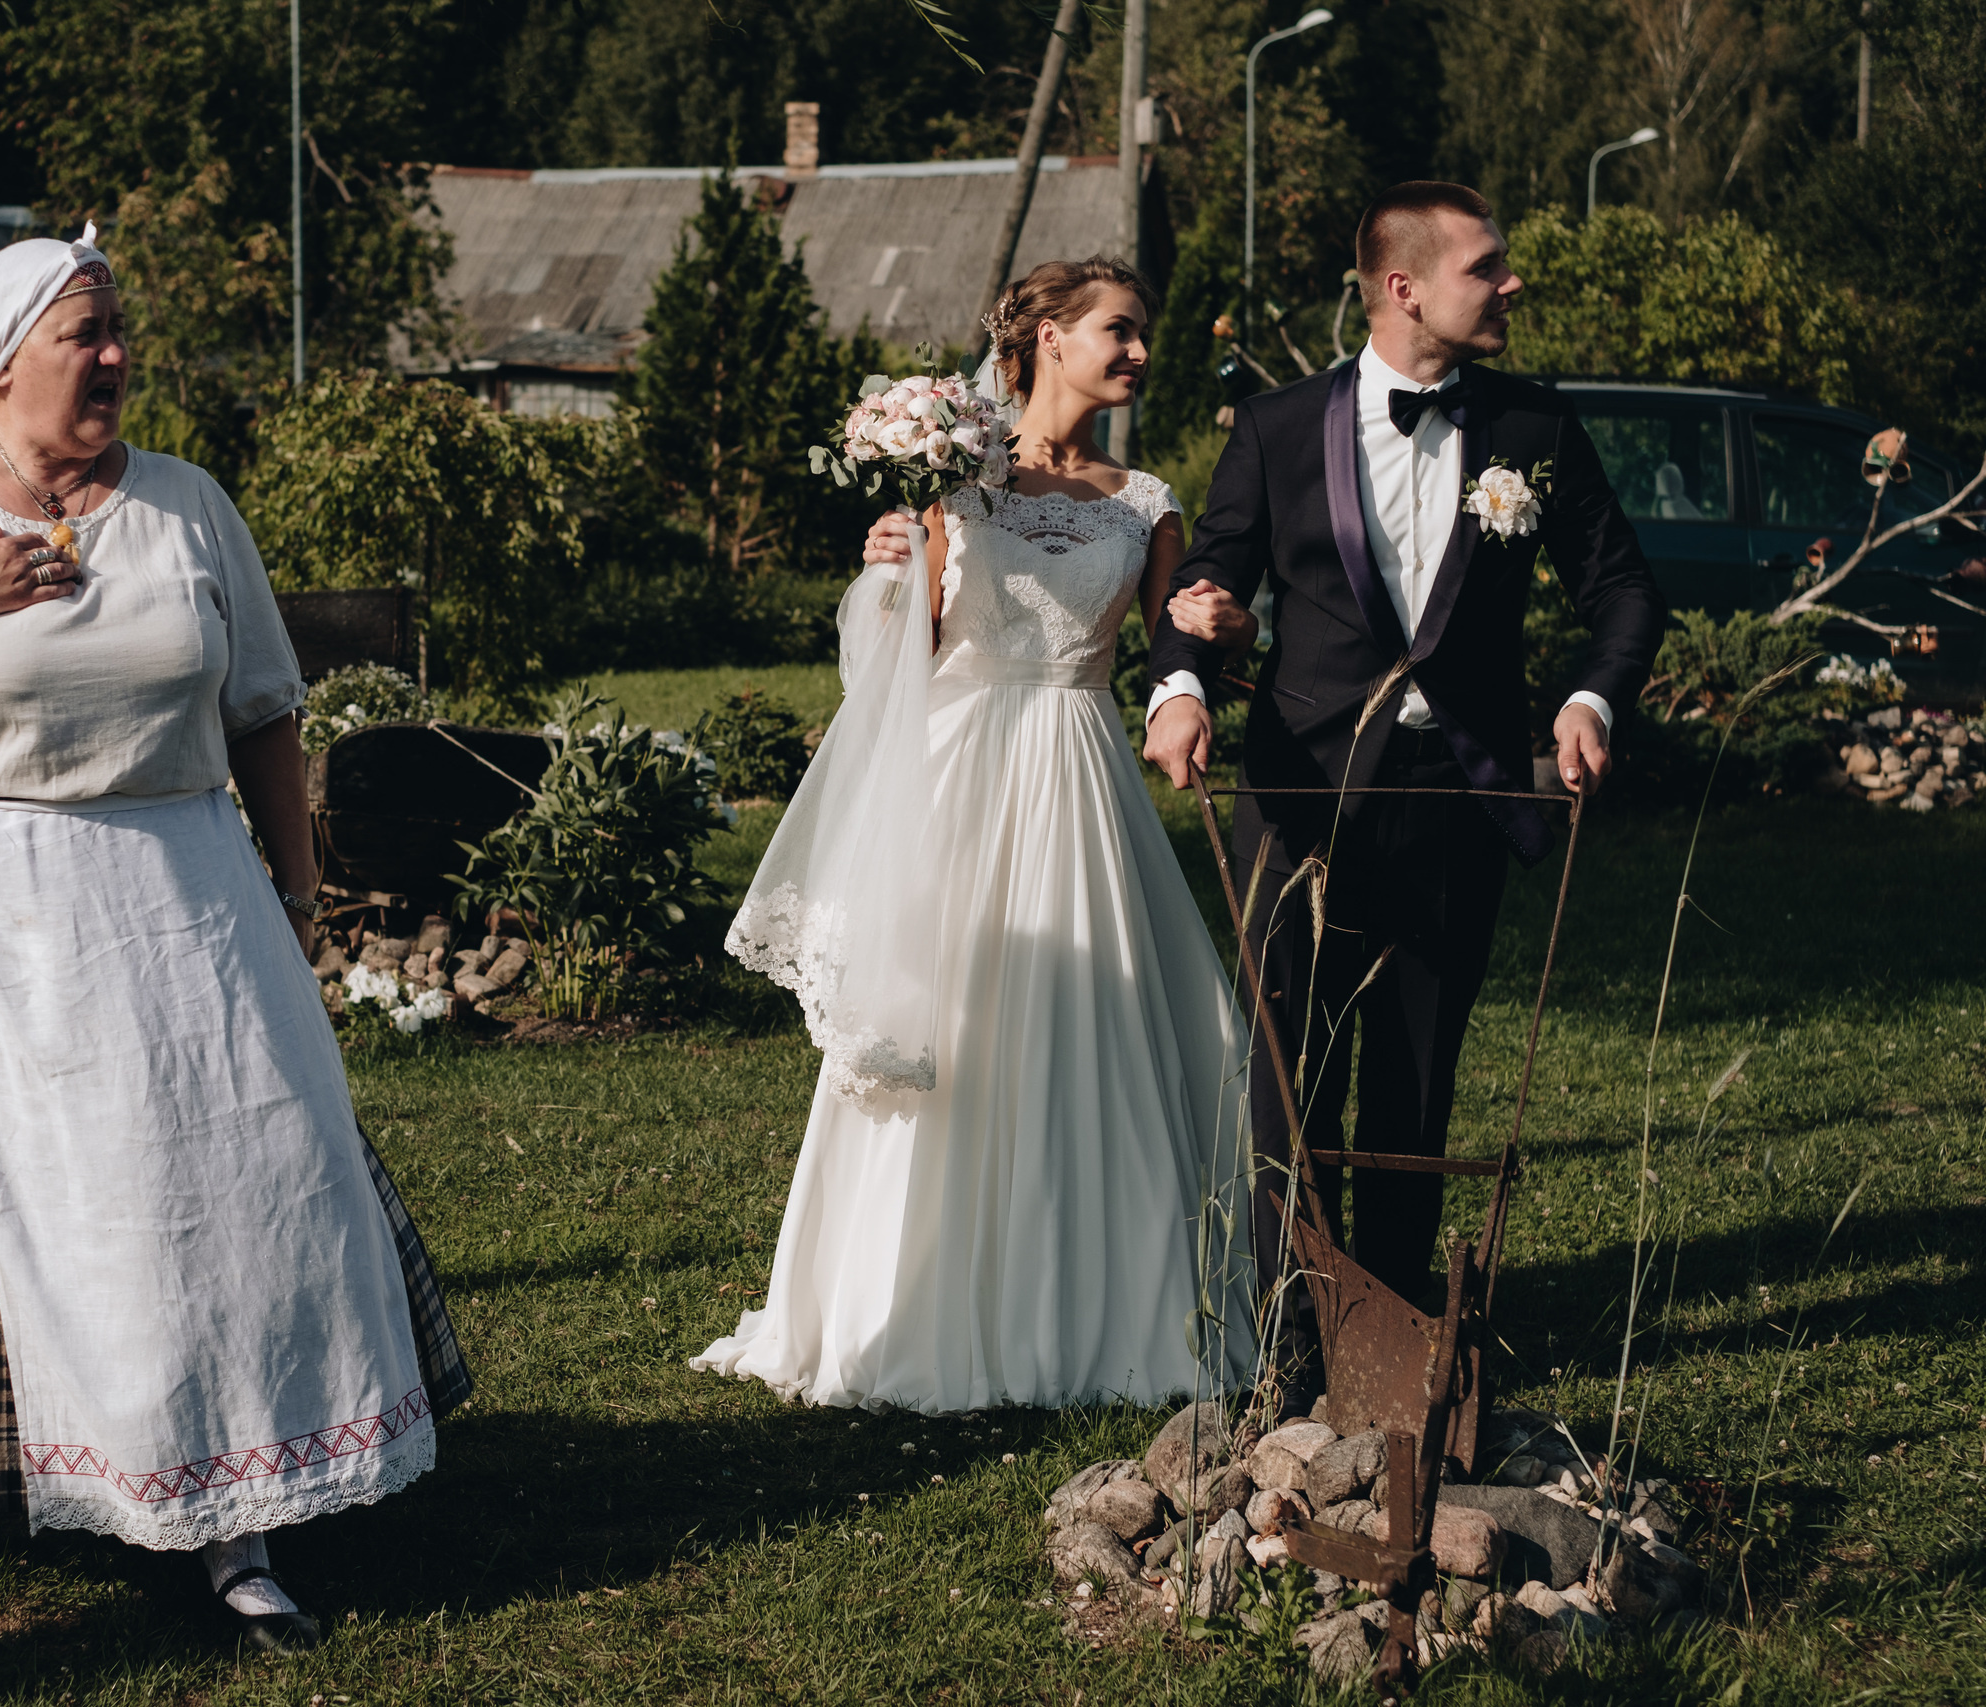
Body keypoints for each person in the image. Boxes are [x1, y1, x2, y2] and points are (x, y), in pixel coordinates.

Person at [0, 224, 469, 1645]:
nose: (118, 355)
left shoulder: (186, 503)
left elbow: (264, 705)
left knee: (228, 1185)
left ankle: (233, 1510)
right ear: (3, 363)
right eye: (87, 331)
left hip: (184, 891)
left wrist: (298, 887)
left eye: (118, 326)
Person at [691, 257, 1263, 1414]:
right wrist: (886, 576)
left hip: (1074, 774)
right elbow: (901, 655)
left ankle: (1090, 1306)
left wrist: (1217, 626)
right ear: (1046, 337)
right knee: (945, 1029)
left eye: (1142, 331)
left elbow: (1173, 658)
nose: (1140, 350)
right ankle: (906, 1298)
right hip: (954, 776)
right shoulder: (958, 479)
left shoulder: (1146, 502)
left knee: (1084, 1024)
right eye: (1120, 328)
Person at [1141, 182, 1667, 1389]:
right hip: (1299, 795)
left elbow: (1624, 593)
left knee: (1416, 1076)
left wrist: (1587, 700)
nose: (1511, 284)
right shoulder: (1275, 426)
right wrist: (1180, 681)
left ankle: (1393, 1340)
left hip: (1457, 791)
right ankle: (1284, 1336)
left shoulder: (1535, 427)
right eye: (1489, 266)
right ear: (1402, 287)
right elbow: (1207, 578)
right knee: (1290, 1079)